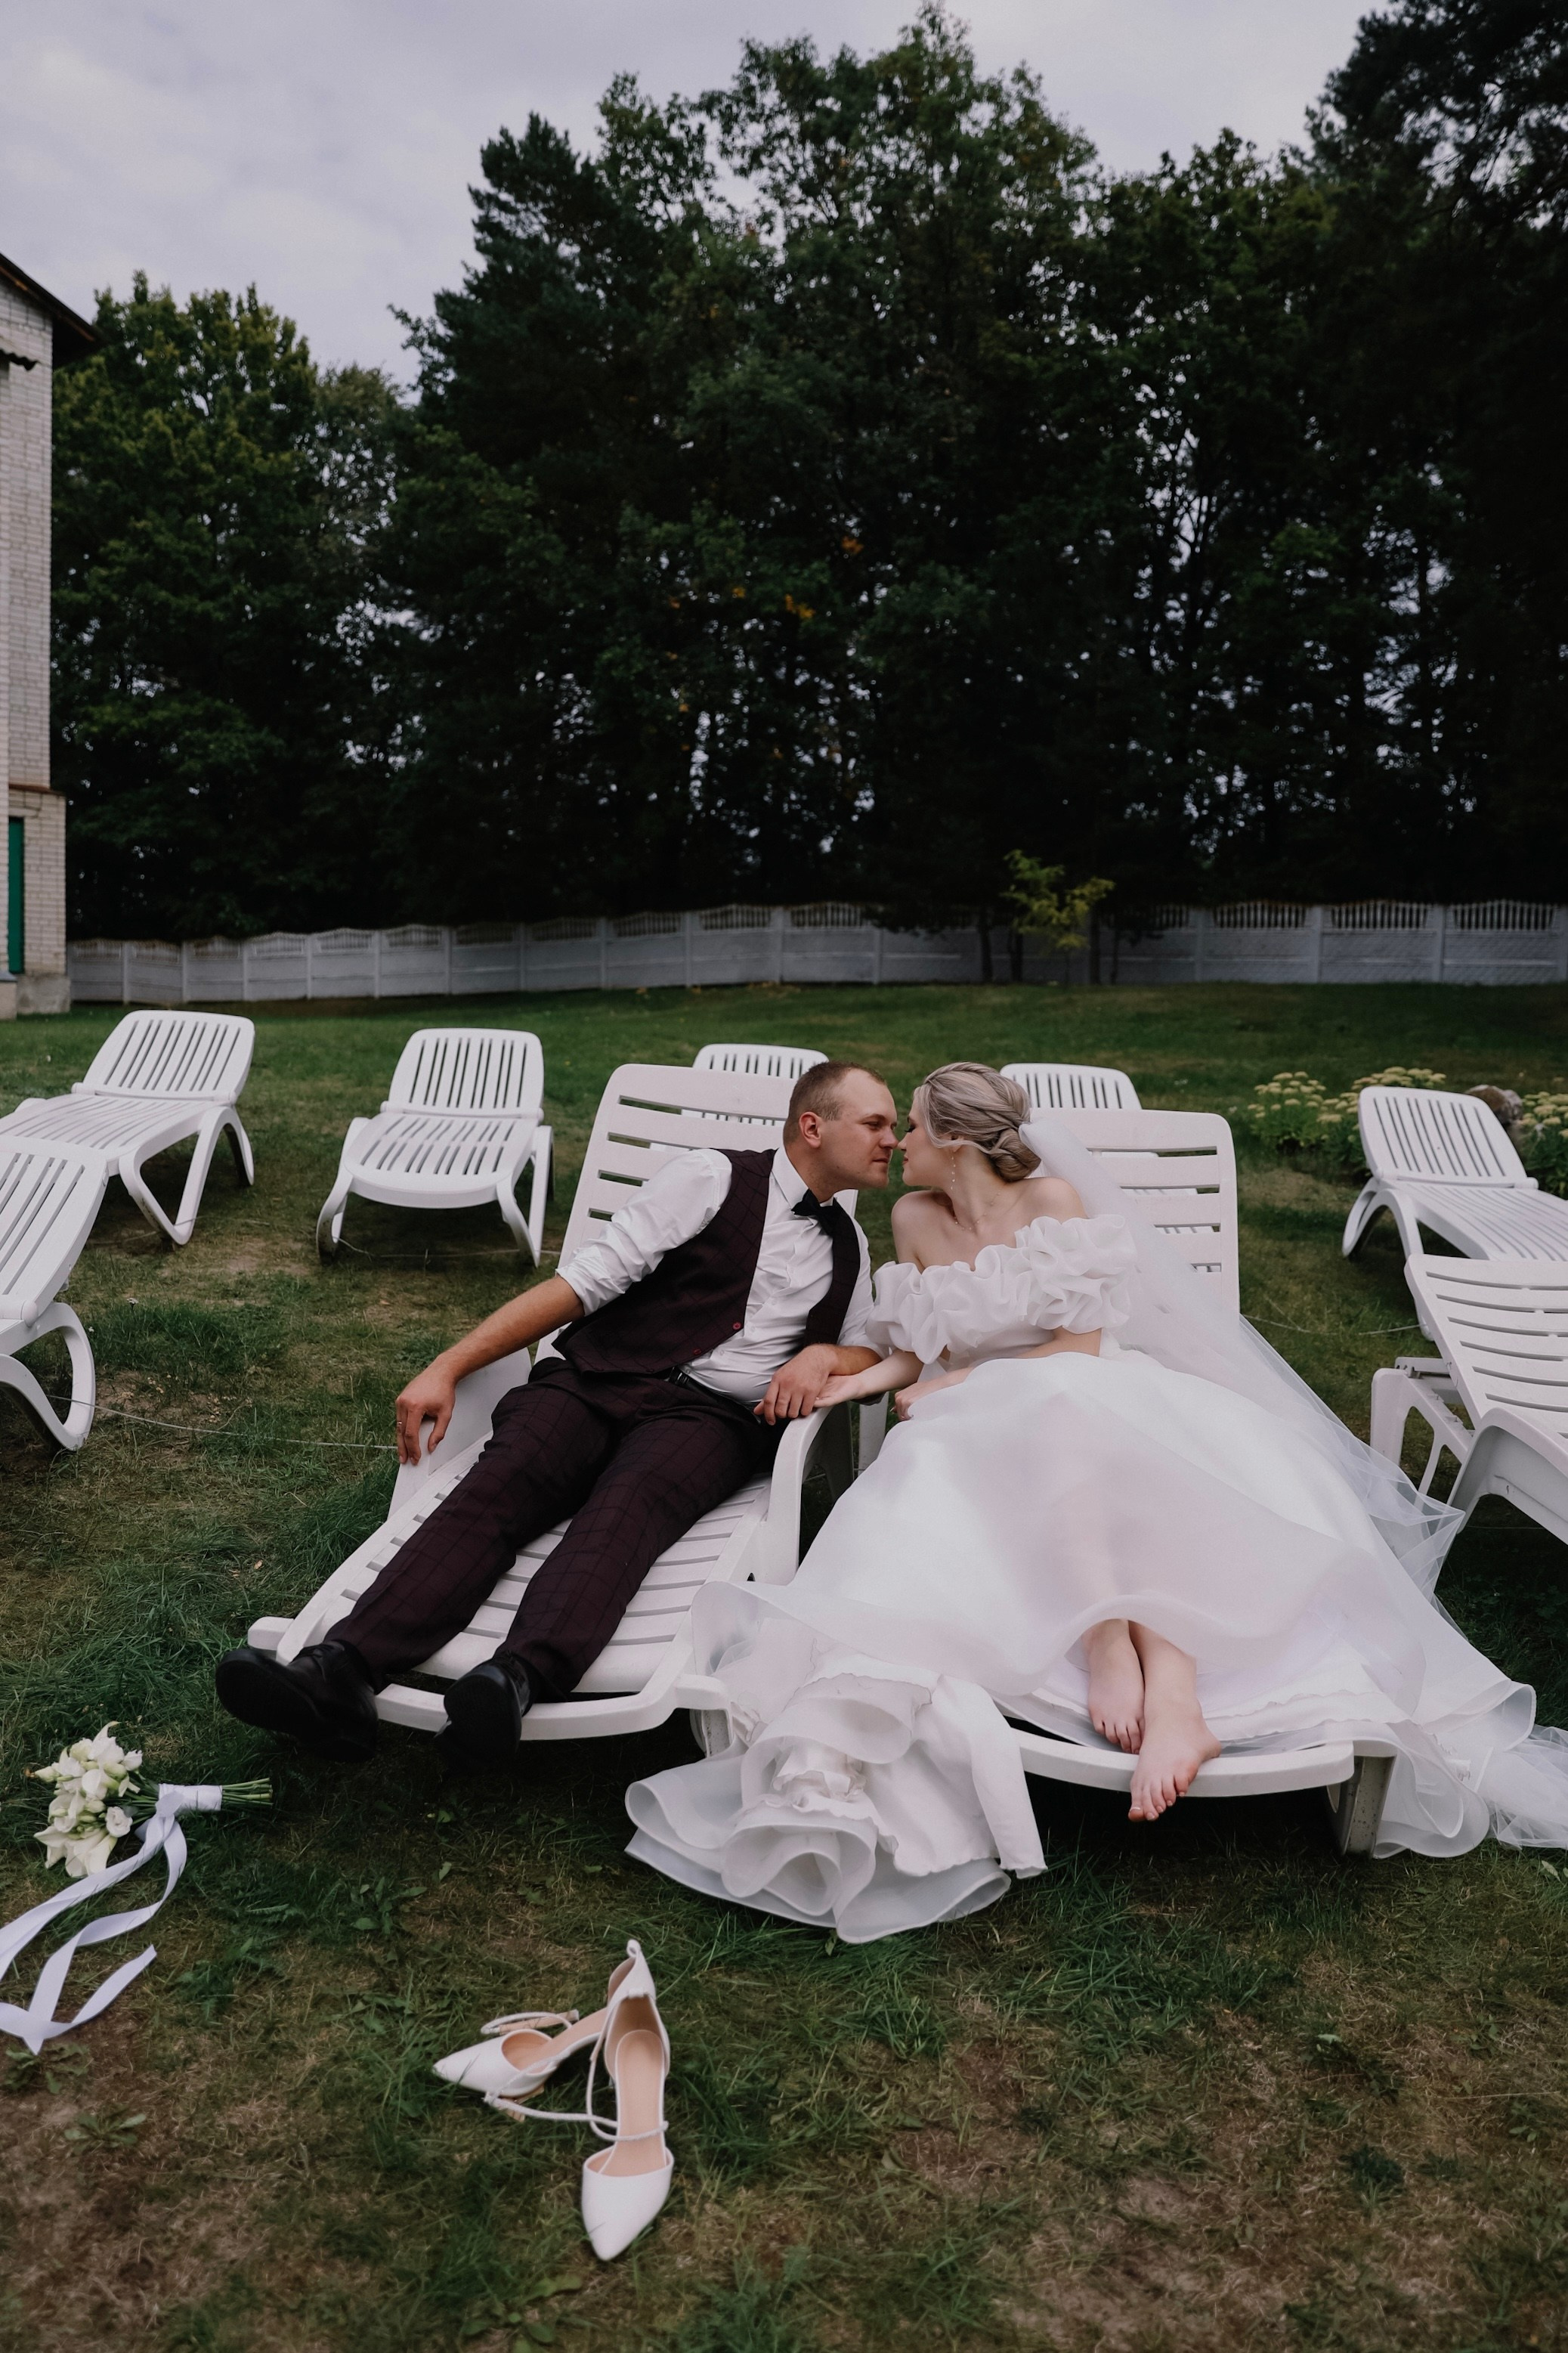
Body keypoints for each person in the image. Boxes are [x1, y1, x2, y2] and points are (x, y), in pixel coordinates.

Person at [625, 1063, 1568, 1943]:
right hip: (977, 1419)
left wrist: (967, 1384)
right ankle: (1127, 1655)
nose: (897, 1142)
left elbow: (1076, 1350)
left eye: (909, 1126)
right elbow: (917, 1351)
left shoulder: (1052, 1202)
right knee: (1026, 1438)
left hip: (1076, 1387)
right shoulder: (912, 1218)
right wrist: (850, 1380)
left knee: (1084, 1425)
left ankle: (1160, 1678)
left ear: (953, 1138)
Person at [215, 1061, 896, 1766]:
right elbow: (582, 1283)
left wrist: (823, 1355)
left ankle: (514, 1679)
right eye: (875, 1123)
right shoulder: (710, 1178)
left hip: (711, 1419)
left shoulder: (849, 1245)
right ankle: (342, 1669)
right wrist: (449, 1365)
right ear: (812, 1127)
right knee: (503, 1480)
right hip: (597, 1375)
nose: (892, 1140)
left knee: (628, 1506)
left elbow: (865, 1350)